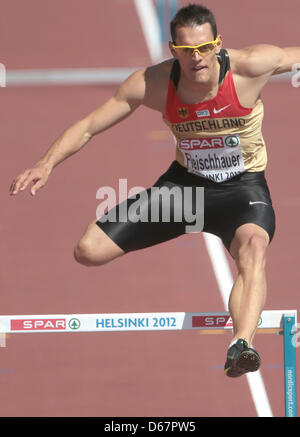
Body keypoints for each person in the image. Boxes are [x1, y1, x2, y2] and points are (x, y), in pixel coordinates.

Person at [10, 4, 300, 377]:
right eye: (185, 50)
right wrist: (46, 163)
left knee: (254, 246)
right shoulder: (153, 84)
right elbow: (88, 126)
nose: (196, 58)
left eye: (204, 48)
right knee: (88, 251)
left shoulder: (252, 65)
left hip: (242, 192)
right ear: (172, 49)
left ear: (217, 44)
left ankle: (240, 344)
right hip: (185, 192)